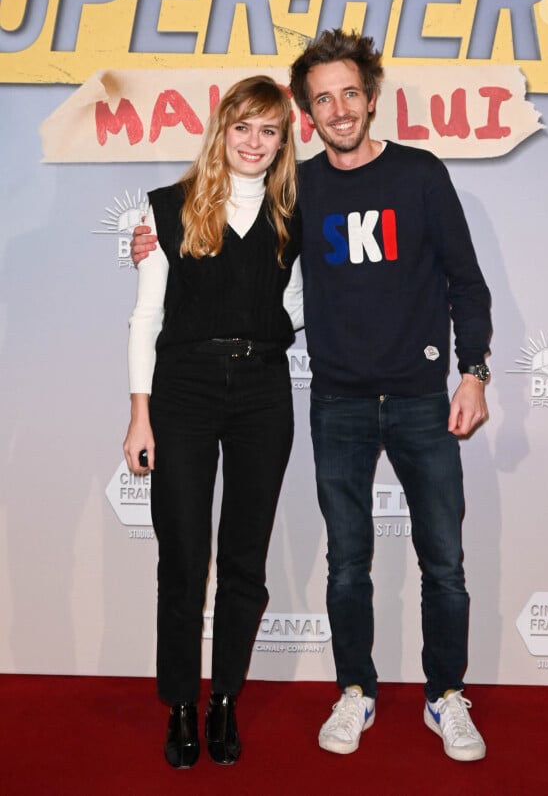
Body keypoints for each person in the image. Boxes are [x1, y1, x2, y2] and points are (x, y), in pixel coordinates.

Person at [131, 29, 492, 764]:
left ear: (369, 97)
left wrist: (475, 370)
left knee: (442, 563)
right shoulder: (269, 191)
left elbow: (460, 281)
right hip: (318, 401)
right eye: (321, 99)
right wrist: (147, 245)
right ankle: (337, 693)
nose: (337, 109)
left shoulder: (391, 180)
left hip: (403, 396)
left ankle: (442, 695)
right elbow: (176, 280)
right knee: (333, 563)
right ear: (310, 111)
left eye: (348, 94)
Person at [123, 75, 302, 770]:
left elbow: (303, 304)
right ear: (221, 130)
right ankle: (178, 704)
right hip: (183, 391)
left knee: (244, 562)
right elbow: (146, 319)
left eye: (270, 132)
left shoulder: (295, 211)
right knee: (183, 560)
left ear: (283, 142)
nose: (255, 143)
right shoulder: (170, 209)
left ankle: (224, 698)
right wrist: (140, 415)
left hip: (264, 390)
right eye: (244, 128)